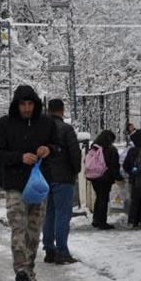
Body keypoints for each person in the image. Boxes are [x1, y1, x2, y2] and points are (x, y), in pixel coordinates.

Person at [0, 85, 58, 281]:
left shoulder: (47, 123)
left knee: (33, 229)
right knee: (18, 226)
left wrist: (48, 149)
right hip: (15, 184)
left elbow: (57, 146)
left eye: (30, 104)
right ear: (16, 105)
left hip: (38, 185)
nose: (27, 108)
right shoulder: (5, 124)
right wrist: (19, 157)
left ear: (35, 104)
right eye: (23, 104)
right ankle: (20, 269)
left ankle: (29, 268)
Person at [42, 99, 82, 265]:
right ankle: (62, 251)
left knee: (49, 213)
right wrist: (76, 169)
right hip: (64, 177)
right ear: (62, 110)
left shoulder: (41, 129)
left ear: (48, 109)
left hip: (45, 177)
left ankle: (49, 249)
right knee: (62, 214)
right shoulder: (66, 129)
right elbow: (75, 153)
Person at [89, 130, 122, 230]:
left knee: (99, 198)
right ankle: (102, 222)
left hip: (94, 177)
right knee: (103, 199)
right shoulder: (111, 150)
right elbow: (114, 166)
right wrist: (118, 177)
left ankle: (96, 219)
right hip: (105, 178)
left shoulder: (94, 147)